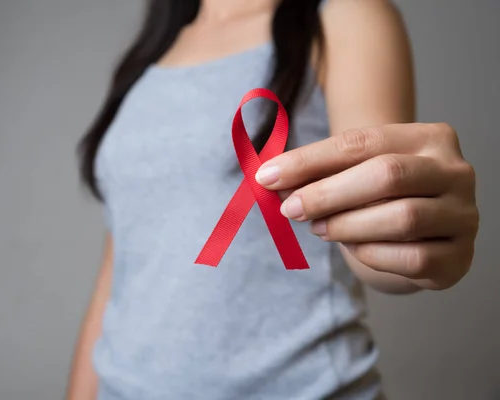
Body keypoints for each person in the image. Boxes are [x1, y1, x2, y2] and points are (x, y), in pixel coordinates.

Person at [68, 0, 479, 399]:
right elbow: (120, 270)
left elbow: (382, 224)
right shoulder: (148, 57)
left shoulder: (346, 17)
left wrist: (420, 239)